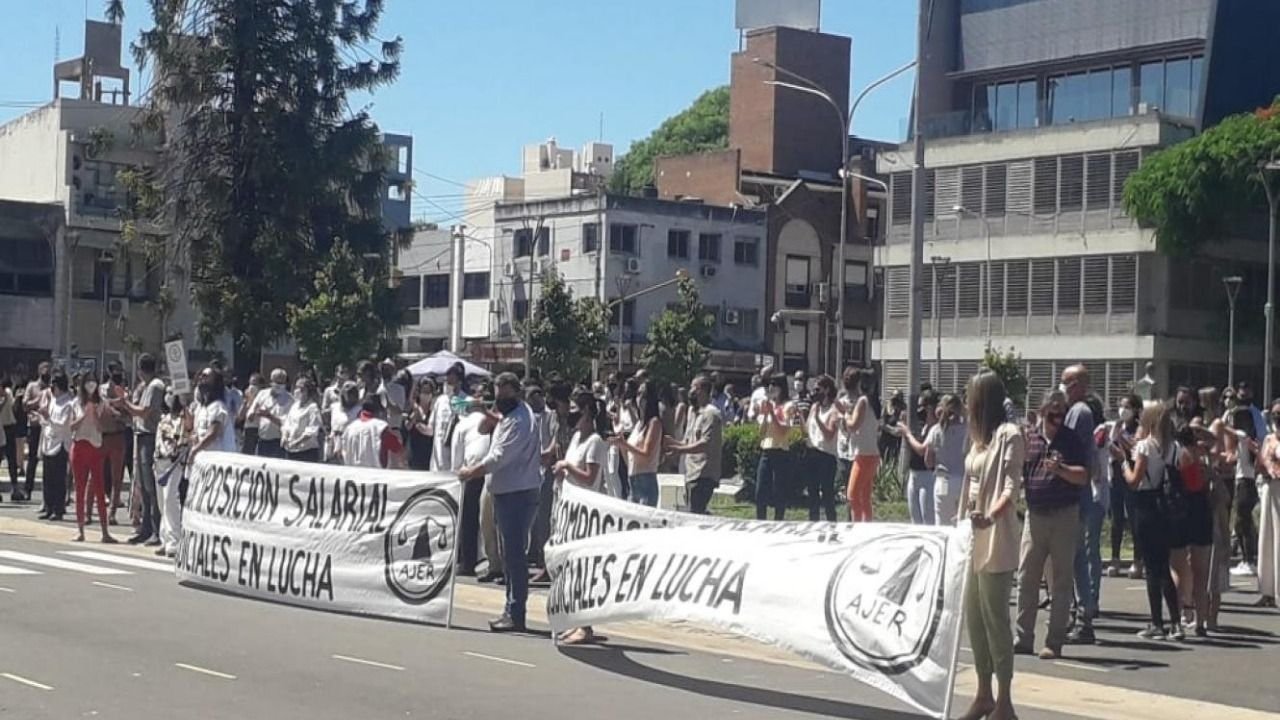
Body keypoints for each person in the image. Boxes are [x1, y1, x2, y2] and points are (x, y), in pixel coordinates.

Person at [957, 372, 1023, 720]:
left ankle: (1004, 701)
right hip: (971, 536)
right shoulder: (978, 439)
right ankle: (984, 694)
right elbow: (969, 484)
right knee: (975, 618)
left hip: (995, 535)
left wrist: (992, 515)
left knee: (996, 619)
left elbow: (1011, 486)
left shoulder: (1009, 435)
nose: (967, 403)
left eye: (971, 396)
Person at [457, 373, 543, 633]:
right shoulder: (511, 414)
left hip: (517, 493)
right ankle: (511, 609)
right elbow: (485, 428)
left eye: (504, 394)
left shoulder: (520, 421)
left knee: (514, 556)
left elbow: (499, 457)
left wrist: (470, 472)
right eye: (497, 394)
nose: (500, 399)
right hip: (507, 491)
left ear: (516, 392)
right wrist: (487, 411)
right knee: (509, 554)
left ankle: (515, 613)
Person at [1015, 391, 1089, 660]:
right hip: (1035, 515)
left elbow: (1083, 476)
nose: (1057, 417)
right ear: (1042, 412)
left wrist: (1061, 470)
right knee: (1026, 577)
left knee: (1061, 580)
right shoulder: (1030, 439)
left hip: (1064, 515)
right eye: (1052, 412)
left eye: (1061, 412)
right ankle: (1023, 637)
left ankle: (1054, 641)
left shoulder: (1071, 440)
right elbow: (1020, 471)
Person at [553, 390, 611, 646]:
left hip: (586, 514)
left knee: (582, 570)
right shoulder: (577, 437)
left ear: (586, 411)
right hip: (569, 509)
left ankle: (585, 625)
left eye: (576, 409)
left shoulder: (595, 442)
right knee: (570, 569)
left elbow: (589, 477)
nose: (572, 414)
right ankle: (576, 621)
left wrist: (568, 467)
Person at [1124, 401, 1184, 640]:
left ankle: (1157, 622)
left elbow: (1134, 480)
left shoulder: (1145, 446)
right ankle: (1176, 622)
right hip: (1166, 505)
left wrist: (1123, 465)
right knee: (1164, 566)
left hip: (1146, 504)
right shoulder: (1174, 447)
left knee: (1152, 567)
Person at [114, 353, 167, 545]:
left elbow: (144, 412)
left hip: (150, 436)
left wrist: (125, 403)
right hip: (141, 435)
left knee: (150, 486)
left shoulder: (155, 386)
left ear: (140, 369)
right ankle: (146, 528)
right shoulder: (146, 386)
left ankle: (155, 529)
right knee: (143, 486)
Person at [1170, 422, 1216, 633]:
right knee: (1201, 571)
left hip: (1181, 511)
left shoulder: (1176, 456)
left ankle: (1179, 616)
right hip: (1200, 510)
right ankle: (1200, 621)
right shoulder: (1199, 455)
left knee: (1178, 567)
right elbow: (1213, 441)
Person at [664, 375, 723, 515]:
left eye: (694, 388)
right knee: (691, 512)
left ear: (703, 390)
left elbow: (704, 444)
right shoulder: (692, 411)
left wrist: (679, 450)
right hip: (690, 473)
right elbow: (688, 442)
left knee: (695, 512)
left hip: (704, 474)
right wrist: (672, 442)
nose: (690, 391)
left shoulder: (711, 414)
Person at [69, 374, 116, 544]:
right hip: (79, 446)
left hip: (95, 447)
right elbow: (71, 426)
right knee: (79, 489)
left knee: (99, 488)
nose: (91, 385)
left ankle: (105, 531)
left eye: (93, 382)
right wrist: (84, 415)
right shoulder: (75, 403)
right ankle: (80, 529)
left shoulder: (101, 402)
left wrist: (94, 414)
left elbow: (102, 427)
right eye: (88, 382)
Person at [451, 393, 495, 578]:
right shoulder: (493, 421)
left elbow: (456, 458)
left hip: (471, 470)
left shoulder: (462, 425)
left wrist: (457, 474)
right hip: (491, 470)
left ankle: (467, 562)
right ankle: (491, 560)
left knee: (468, 519)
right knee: (490, 520)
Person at [611, 380, 662, 507]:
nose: (639, 399)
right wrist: (621, 445)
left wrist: (625, 445)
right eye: (638, 394)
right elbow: (629, 458)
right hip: (632, 480)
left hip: (646, 481)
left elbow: (647, 453)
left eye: (643, 395)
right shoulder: (639, 425)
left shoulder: (654, 423)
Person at [754, 374, 795, 521]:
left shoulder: (788, 406)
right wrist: (766, 415)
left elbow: (784, 430)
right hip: (766, 449)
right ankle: (760, 520)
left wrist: (772, 412)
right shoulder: (767, 404)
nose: (771, 388)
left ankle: (778, 520)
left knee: (779, 491)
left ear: (781, 387)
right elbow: (761, 432)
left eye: (774, 384)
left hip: (780, 450)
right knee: (760, 490)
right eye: (769, 385)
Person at [843, 368, 881, 523]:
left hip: (863, 454)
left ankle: (857, 525)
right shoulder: (874, 402)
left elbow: (853, 425)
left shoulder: (863, 401)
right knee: (865, 496)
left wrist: (846, 415)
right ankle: (867, 524)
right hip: (872, 453)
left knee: (852, 495)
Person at [1226, 407, 1260, 576]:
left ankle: (1249, 560)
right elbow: (1233, 457)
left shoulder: (1242, 434)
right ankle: (1248, 558)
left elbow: (1223, 427)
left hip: (1244, 482)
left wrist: (1225, 415)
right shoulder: (1248, 438)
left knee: (1242, 522)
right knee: (1243, 522)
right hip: (1247, 480)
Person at [154, 393, 189, 558]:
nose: (168, 397)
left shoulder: (183, 419)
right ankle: (164, 539)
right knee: (162, 503)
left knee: (170, 499)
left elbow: (187, 431)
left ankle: (174, 541)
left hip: (174, 463)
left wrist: (185, 404)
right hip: (159, 462)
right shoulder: (163, 419)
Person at [801, 375, 840, 522]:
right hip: (811, 452)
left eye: (818, 389)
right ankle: (813, 522)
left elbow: (829, 434)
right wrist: (801, 416)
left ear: (827, 390)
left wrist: (818, 418)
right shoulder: (814, 407)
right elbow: (807, 430)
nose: (815, 392)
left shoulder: (833, 410)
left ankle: (831, 523)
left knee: (827, 493)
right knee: (812, 492)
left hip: (826, 455)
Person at [898, 390, 939, 525]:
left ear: (930, 407)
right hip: (914, 474)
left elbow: (922, 450)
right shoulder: (922, 426)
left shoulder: (936, 428)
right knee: (915, 520)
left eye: (922, 406)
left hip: (928, 476)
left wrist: (908, 433)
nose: (919, 410)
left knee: (928, 520)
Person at [927, 394, 969, 527]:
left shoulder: (936, 430)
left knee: (942, 521)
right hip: (962, 480)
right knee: (962, 521)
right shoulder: (967, 430)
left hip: (943, 480)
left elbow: (928, 461)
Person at [36, 371, 72, 522]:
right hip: (49, 442)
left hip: (60, 444)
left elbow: (63, 425)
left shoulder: (68, 403)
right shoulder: (53, 401)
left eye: (54, 384)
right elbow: (47, 423)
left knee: (58, 479)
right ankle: (48, 507)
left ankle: (58, 509)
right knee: (48, 478)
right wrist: (42, 418)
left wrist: (48, 417)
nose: (51, 387)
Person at [1256, 400, 1280, 609]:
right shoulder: (1269, 439)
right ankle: (1267, 591)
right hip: (1269, 489)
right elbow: (1260, 464)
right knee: (1267, 539)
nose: (1277, 418)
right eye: (1275, 414)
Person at [339, 395, 405, 468]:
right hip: (374, 473)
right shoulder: (380, 427)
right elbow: (398, 449)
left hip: (351, 473)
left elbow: (341, 453)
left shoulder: (349, 429)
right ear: (379, 412)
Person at [430, 363, 468, 472]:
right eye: (447, 381)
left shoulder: (465, 400)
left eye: (452, 382)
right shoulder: (440, 400)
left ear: (459, 382)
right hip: (438, 456)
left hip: (455, 454)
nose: (448, 384)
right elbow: (431, 427)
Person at [24, 361, 52, 505]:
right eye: (44, 370)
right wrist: (38, 399)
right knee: (32, 459)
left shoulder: (53, 388)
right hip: (35, 426)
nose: (46, 372)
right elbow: (25, 404)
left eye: (48, 370)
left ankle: (48, 495)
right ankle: (27, 490)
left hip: (48, 427)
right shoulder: (32, 386)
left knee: (49, 460)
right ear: (39, 371)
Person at [248, 369, 293, 459]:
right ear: (271, 381)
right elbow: (250, 414)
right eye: (276, 382)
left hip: (277, 442)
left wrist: (268, 415)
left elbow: (285, 423)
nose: (279, 385)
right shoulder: (262, 394)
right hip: (262, 440)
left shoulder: (290, 400)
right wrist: (253, 413)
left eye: (281, 383)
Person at [282, 377, 323, 463]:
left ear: (308, 391)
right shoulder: (294, 406)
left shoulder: (312, 407)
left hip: (306, 452)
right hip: (291, 450)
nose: (298, 390)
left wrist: (296, 442)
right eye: (296, 387)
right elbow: (287, 424)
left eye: (301, 388)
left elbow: (312, 430)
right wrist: (285, 436)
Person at [327, 382, 361, 464]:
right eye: (347, 393)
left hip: (349, 444)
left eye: (351, 393)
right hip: (334, 441)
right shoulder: (334, 407)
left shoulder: (359, 410)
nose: (349, 396)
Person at [407, 378, 436, 471]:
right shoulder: (413, 410)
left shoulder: (434, 412)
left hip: (429, 455)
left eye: (428, 392)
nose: (426, 395)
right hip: (414, 455)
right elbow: (408, 426)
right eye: (424, 391)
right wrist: (415, 413)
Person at [0, 377, 20, 501]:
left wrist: (16, 399)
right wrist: (4, 400)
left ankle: (15, 489)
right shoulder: (4, 397)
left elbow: (14, 407)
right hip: (0, 428)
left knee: (12, 459)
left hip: (9, 427)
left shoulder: (8, 393)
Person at [237, 373, 267, 455]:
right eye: (250, 384)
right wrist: (247, 401)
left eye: (254, 384)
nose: (251, 387)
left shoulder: (265, 398)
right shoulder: (247, 399)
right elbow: (240, 417)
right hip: (248, 430)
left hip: (259, 430)